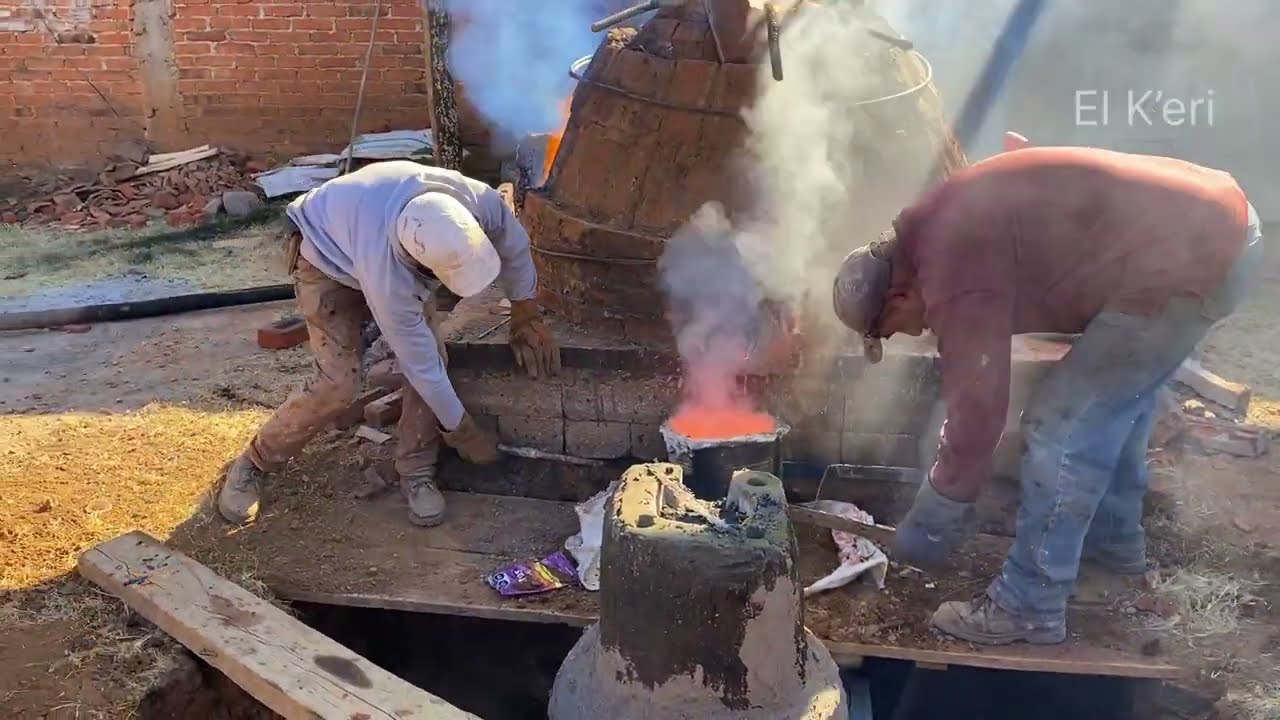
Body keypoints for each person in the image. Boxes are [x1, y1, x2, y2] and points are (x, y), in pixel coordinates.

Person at [831, 146, 1263, 645]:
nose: (909, 334)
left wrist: (930, 523)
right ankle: (1111, 550)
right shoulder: (940, 225)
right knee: (1108, 410)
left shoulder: (947, 259)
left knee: (1061, 426)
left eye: (890, 331)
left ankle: (1029, 604)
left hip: (1193, 258)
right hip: (1216, 227)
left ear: (898, 297)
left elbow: (977, 415)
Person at [219, 161, 561, 528]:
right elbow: (422, 366)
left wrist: (526, 314)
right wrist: (463, 432)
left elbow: (515, 244)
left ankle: (415, 471)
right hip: (321, 252)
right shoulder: (389, 278)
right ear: (415, 261)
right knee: (339, 383)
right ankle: (254, 462)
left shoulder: (477, 202)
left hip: (361, 221)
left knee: (435, 358)